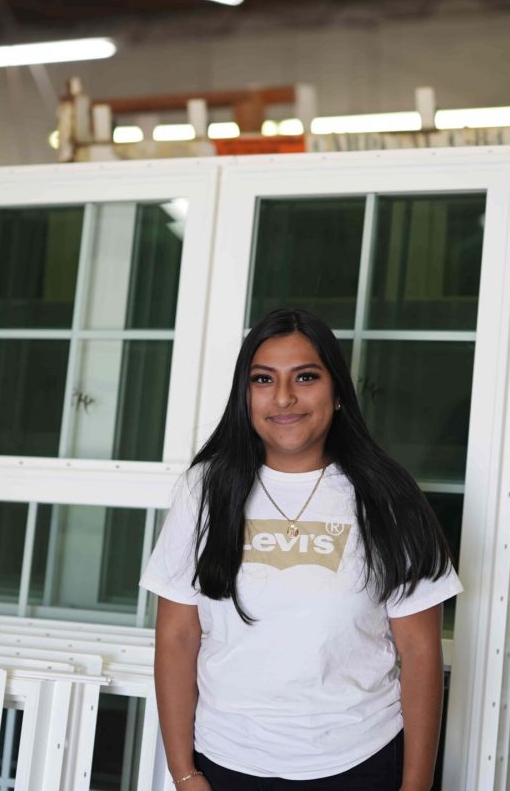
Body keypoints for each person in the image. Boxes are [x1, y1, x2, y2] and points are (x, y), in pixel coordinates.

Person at [140, 308, 462, 790]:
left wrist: (414, 787)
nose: (284, 397)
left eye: (305, 377)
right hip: (226, 760)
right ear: (245, 396)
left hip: (361, 760)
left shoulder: (388, 496)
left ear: (336, 393)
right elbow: (177, 637)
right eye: (264, 379)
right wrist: (183, 772)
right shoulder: (205, 491)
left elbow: (419, 651)